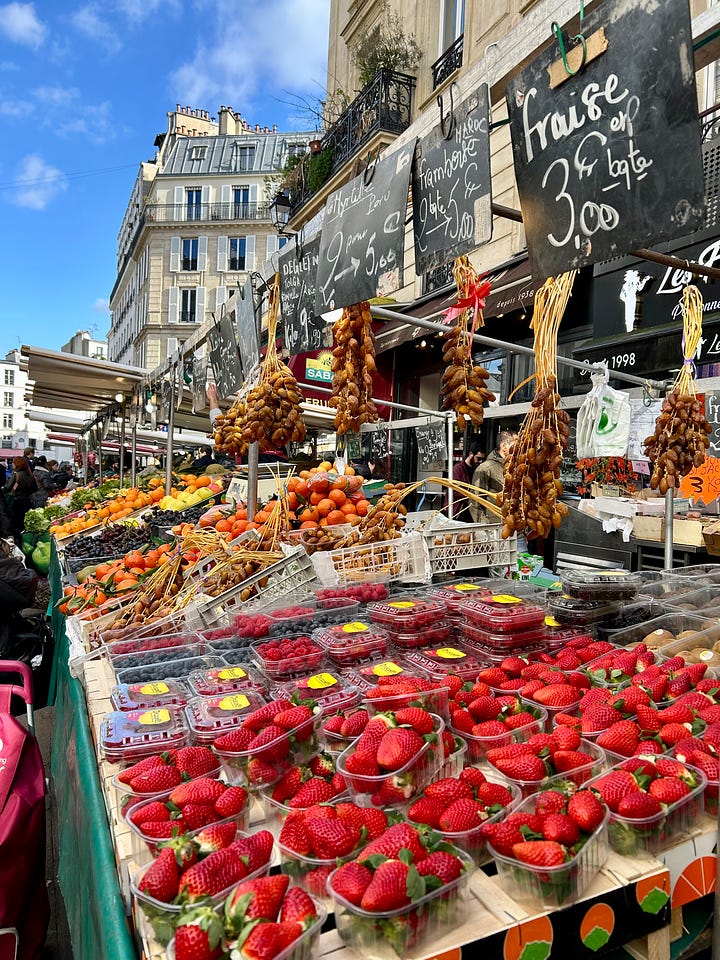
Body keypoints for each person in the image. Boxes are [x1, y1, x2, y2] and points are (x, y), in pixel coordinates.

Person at [469, 429, 518, 523]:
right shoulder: (485, 469)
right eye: (516, 444)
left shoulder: (517, 468)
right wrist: (485, 528)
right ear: (504, 446)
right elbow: (475, 502)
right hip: (496, 530)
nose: (520, 447)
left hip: (518, 530)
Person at [3, 457, 37, 544]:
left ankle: (17, 542)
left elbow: (7, 488)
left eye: (14, 463)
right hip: (27, 502)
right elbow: (34, 489)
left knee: (14, 524)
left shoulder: (16, 475)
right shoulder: (31, 475)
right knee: (24, 524)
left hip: (15, 502)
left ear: (18, 464)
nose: (13, 465)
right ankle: (25, 541)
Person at [447, 442, 484, 521]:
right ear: (471, 454)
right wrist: (471, 497)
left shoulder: (477, 470)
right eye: (478, 458)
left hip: (471, 511)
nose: (480, 462)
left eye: (482, 459)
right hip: (458, 511)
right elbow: (454, 490)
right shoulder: (458, 468)